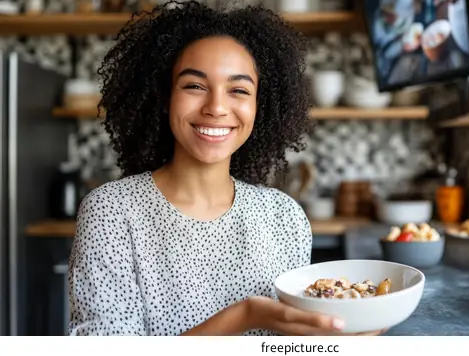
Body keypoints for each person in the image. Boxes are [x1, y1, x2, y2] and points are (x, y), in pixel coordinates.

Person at [68, 1, 384, 336]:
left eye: (238, 90)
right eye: (194, 86)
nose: (217, 107)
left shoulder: (285, 218)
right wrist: (245, 316)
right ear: (164, 98)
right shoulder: (111, 212)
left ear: (258, 107)